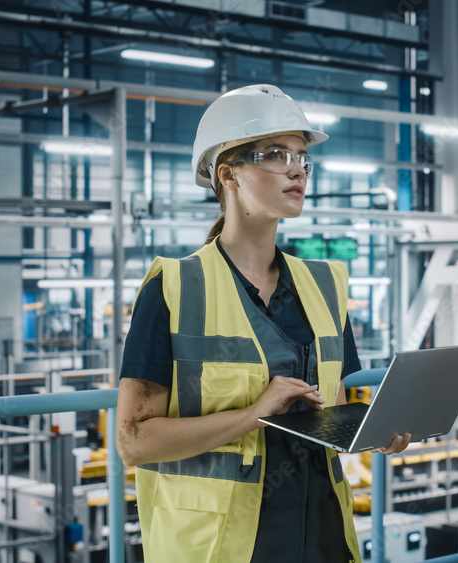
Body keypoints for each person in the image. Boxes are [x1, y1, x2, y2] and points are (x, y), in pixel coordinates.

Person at [115, 84, 411, 563]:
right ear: (228, 175)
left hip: (322, 533)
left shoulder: (324, 285)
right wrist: (254, 412)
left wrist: (375, 431)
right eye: (275, 154)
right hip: (222, 545)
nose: (296, 169)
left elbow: (331, 406)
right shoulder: (173, 287)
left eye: (300, 157)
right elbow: (133, 443)